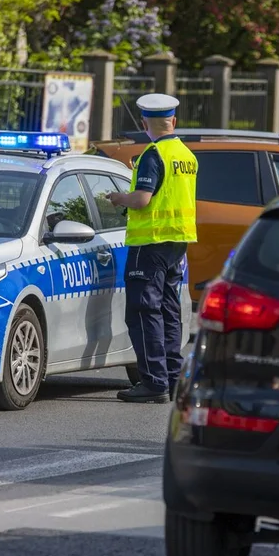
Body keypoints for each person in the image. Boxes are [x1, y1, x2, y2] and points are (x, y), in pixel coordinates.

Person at [106, 93, 198, 403]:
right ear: (174, 121)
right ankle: (172, 378)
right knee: (169, 310)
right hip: (178, 242)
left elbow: (143, 198)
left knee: (143, 311)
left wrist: (119, 198)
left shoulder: (154, 154)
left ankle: (154, 382)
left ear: (144, 123)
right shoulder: (186, 154)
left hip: (151, 241)